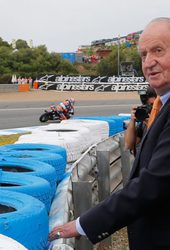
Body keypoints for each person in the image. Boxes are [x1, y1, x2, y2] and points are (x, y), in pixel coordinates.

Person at [49, 17, 170, 250]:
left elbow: (153, 184)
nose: (149, 62)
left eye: (158, 51)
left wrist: (84, 224)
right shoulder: (161, 107)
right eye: (144, 55)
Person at [124, 87, 157, 155]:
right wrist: (132, 121)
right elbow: (129, 145)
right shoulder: (144, 123)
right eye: (146, 106)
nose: (150, 109)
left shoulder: (165, 119)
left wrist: (151, 125)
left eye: (152, 105)